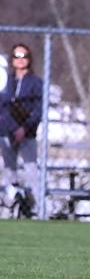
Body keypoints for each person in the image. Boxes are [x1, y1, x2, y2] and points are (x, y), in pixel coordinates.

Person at [0, 42, 43, 216]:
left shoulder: (35, 82)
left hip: (27, 133)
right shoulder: (6, 80)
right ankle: (9, 210)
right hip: (6, 133)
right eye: (16, 56)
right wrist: (11, 128)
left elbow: (38, 110)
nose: (20, 59)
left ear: (29, 59)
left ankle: (39, 210)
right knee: (9, 171)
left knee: (31, 170)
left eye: (23, 56)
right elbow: (3, 107)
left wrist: (24, 128)